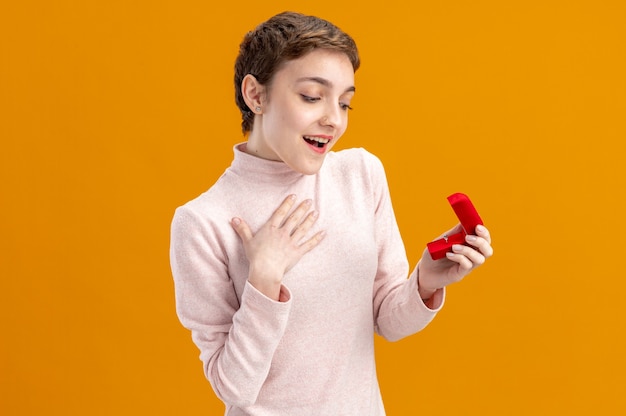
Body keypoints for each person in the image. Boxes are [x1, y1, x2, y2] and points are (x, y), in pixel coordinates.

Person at [170, 11, 493, 416]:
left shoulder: (360, 175)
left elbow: (388, 322)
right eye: (311, 96)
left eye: (345, 103)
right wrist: (264, 281)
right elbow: (234, 388)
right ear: (256, 95)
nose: (333, 119)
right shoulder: (202, 222)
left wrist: (424, 283)